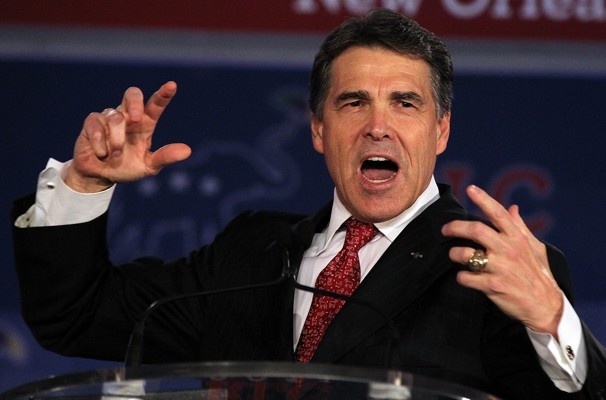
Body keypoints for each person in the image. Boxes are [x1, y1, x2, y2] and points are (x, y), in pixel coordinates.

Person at [11, 8, 606, 399]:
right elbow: (76, 316)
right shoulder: (250, 252)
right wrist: (84, 184)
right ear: (319, 129)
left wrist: (552, 321)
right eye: (353, 103)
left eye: (405, 103)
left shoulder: (493, 267)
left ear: (441, 130)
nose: (378, 126)